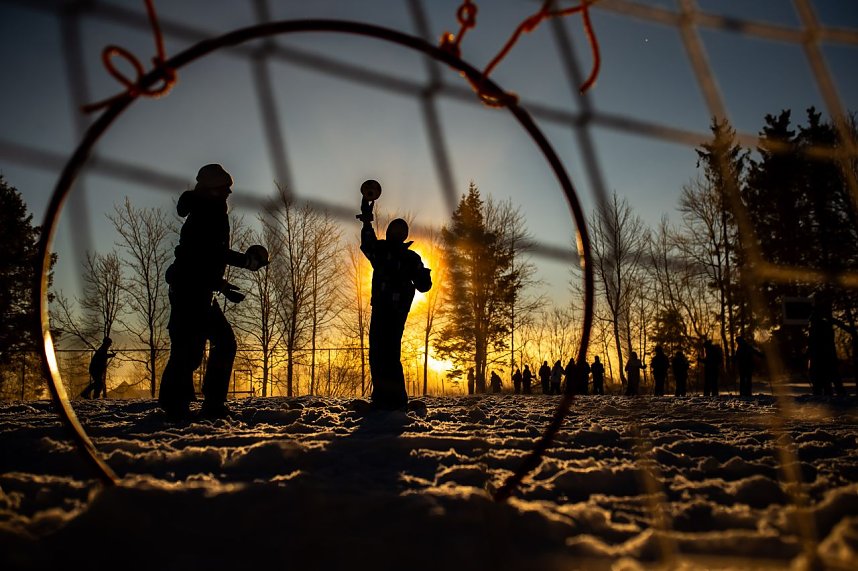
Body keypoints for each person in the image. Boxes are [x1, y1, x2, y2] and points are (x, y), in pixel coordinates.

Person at [158, 164, 268, 420]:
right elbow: (210, 253)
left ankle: (179, 403)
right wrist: (246, 262)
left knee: (190, 346)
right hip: (192, 290)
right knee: (213, 344)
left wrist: (222, 286)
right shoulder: (210, 212)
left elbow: (201, 258)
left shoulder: (204, 210)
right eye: (225, 187)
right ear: (213, 189)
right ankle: (200, 404)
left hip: (194, 287)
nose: (230, 191)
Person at [358, 197, 432, 411]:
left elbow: (423, 286)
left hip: (396, 309)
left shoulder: (410, 257)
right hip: (381, 306)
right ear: (390, 232)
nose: (396, 232)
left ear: (404, 235)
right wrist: (366, 223)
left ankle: (396, 399)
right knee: (379, 351)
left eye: (400, 230)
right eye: (394, 229)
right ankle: (383, 397)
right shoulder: (381, 251)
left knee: (388, 351)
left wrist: (422, 274)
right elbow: (367, 245)